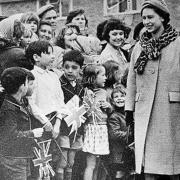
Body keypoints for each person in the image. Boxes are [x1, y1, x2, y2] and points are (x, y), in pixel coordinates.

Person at [125, 0, 180, 179]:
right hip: (144, 113)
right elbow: (131, 79)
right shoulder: (139, 46)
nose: (147, 21)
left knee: (174, 165)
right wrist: (129, 108)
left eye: (151, 17)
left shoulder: (178, 43)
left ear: (163, 18)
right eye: (144, 18)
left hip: (171, 112)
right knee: (148, 166)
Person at [0, 67, 44, 180]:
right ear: (21, 87)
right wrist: (32, 133)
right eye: (26, 82)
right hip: (13, 159)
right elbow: (10, 135)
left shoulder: (20, 102)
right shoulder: (9, 108)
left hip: (22, 156)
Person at [53, 50, 85, 180]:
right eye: (66, 67)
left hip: (76, 128)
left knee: (71, 162)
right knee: (62, 161)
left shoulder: (81, 87)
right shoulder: (58, 84)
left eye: (74, 67)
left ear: (80, 69)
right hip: (64, 127)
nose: (69, 71)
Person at [82, 64, 112, 180]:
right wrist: (92, 102)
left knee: (98, 163)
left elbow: (108, 112)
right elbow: (87, 112)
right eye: (103, 75)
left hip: (102, 129)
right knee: (91, 164)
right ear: (93, 77)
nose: (105, 78)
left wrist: (108, 106)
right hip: (93, 128)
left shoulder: (104, 92)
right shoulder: (86, 92)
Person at [108, 86, 128, 180]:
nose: (119, 98)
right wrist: (130, 135)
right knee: (119, 174)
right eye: (116, 97)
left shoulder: (127, 114)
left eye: (122, 96)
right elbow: (114, 134)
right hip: (118, 153)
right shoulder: (114, 116)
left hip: (126, 152)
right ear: (112, 101)